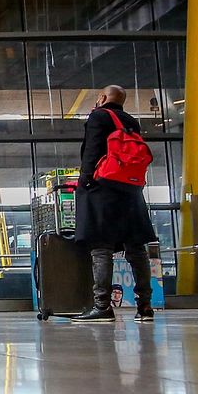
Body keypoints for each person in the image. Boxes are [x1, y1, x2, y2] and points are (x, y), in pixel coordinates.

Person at [72, 85, 157, 323]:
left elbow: (92, 151)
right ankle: (145, 307)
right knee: (136, 249)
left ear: (101, 98)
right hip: (131, 191)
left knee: (101, 247)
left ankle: (102, 306)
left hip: (103, 190)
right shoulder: (131, 121)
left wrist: (85, 181)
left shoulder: (98, 116)